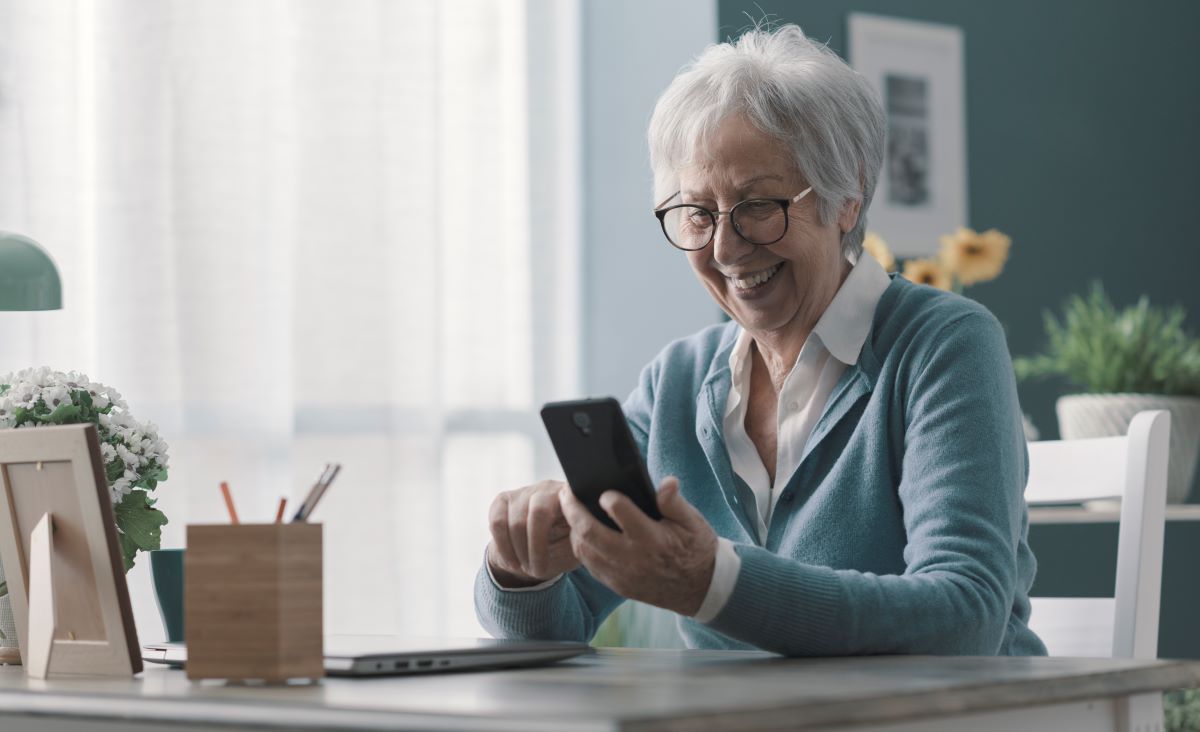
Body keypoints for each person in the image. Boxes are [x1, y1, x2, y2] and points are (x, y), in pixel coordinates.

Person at [474, 25, 1046, 656]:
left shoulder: (943, 346)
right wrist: (521, 569)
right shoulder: (678, 381)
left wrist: (711, 582)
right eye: (697, 212)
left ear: (846, 197)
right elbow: (564, 618)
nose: (724, 247)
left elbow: (964, 615)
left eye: (757, 206)